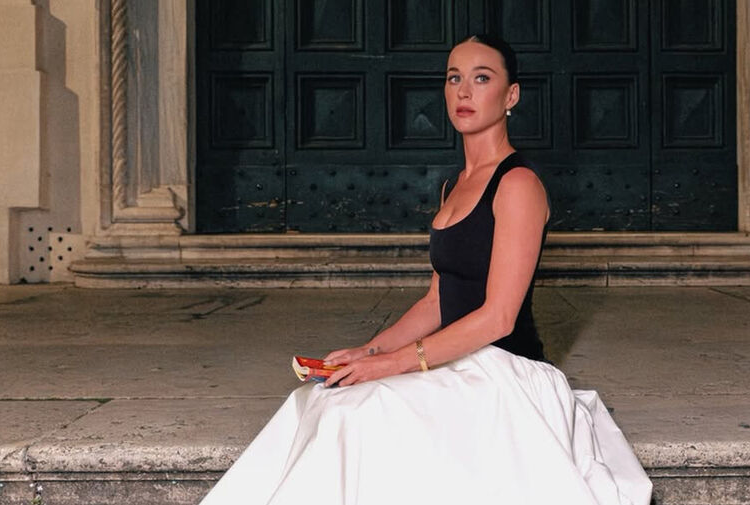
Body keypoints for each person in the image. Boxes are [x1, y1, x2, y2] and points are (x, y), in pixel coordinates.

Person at [199, 35, 652, 505]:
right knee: (329, 397)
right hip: (455, 361)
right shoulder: (453, 185)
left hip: (505, 372)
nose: (464, 91)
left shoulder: (518, 184)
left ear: (511, 95)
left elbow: (499, 318)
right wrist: (369, 350)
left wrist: (391, 364)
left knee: (360, 412)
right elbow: (438, 299)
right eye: (454, 78)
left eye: (482, 78)